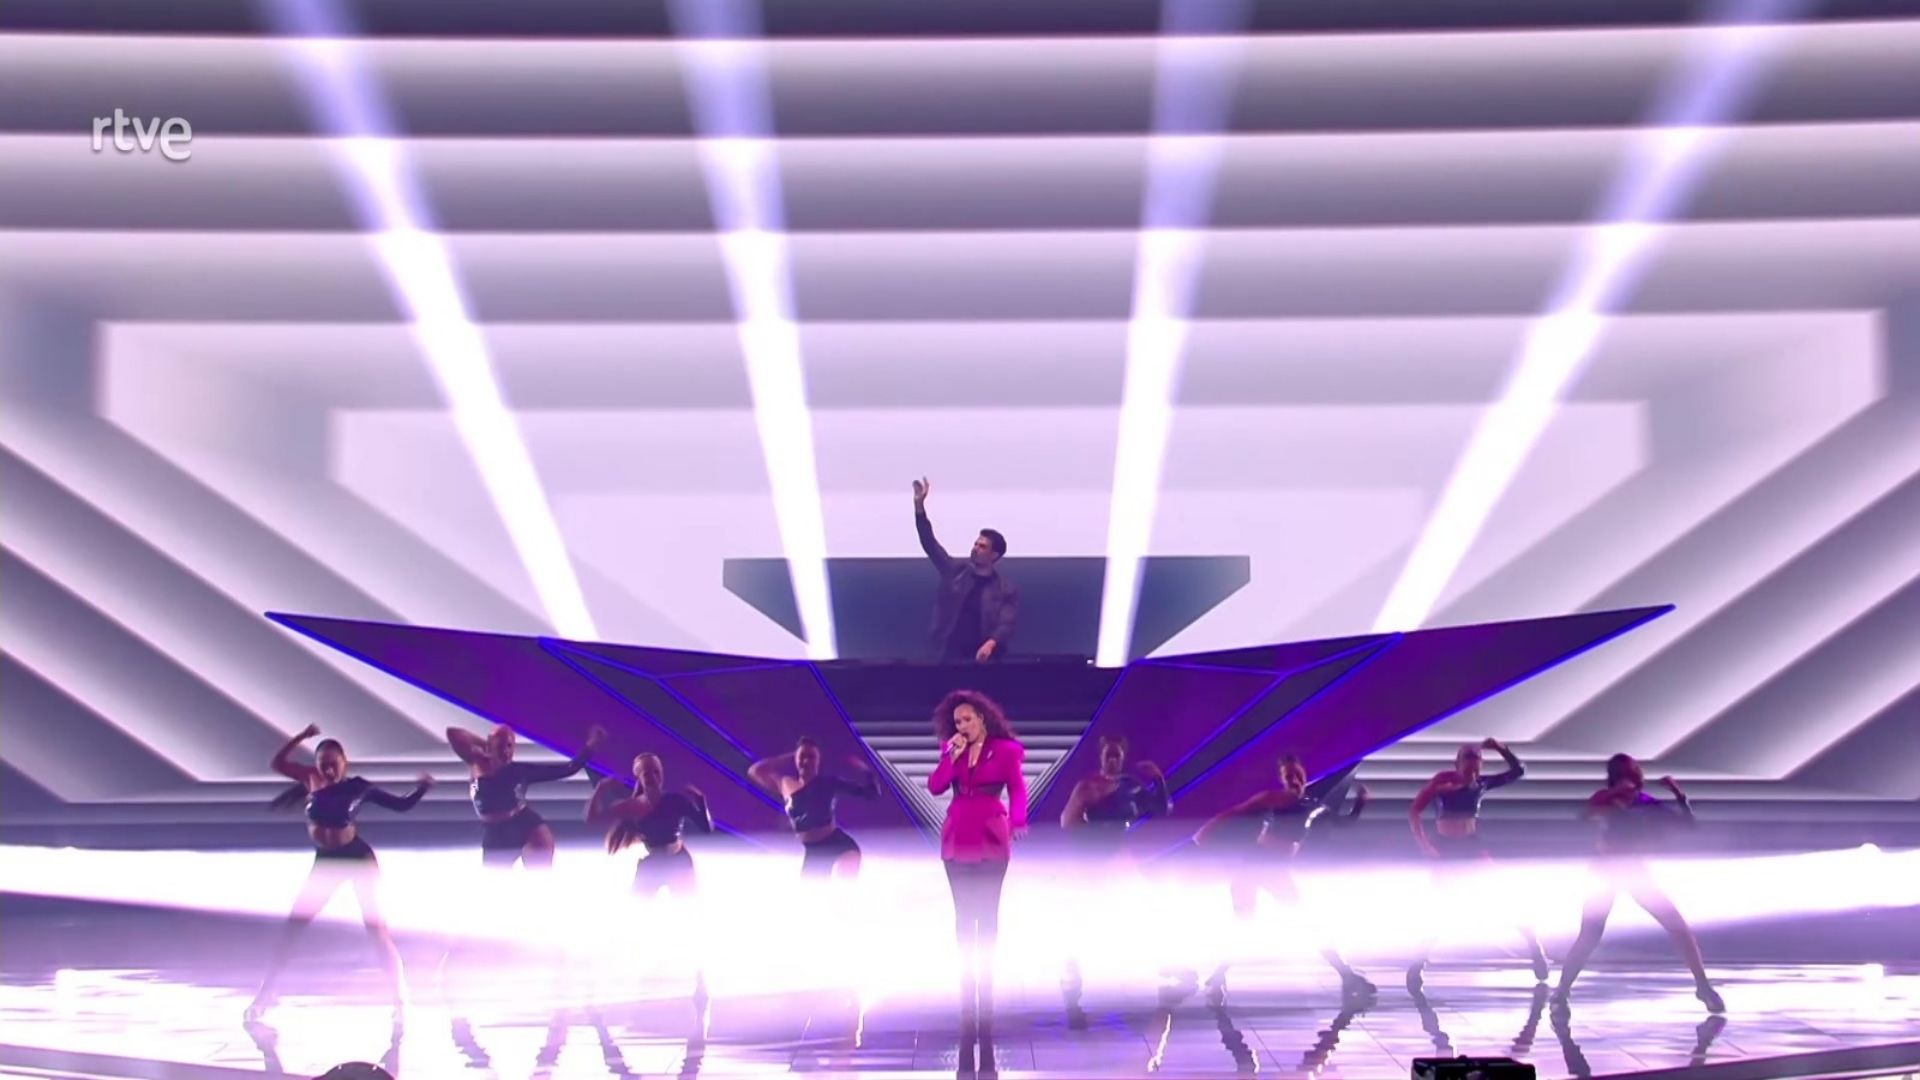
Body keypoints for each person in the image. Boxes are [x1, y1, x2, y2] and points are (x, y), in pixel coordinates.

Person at [250, 725, 434, 1021]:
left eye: (334, 765)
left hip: (358, 858)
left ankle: (400, 999)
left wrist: (422, 787)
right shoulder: (310, 779)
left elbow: (401, 805)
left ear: (344, 763)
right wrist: (302, 737)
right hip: (327, 861)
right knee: (294, 926)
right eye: (323, 765)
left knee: (376, 930)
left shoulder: (359, 787)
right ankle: (266, 995)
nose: (329, 771)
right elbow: (278, 763)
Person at [1551, 753, 1723, 1013]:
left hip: (1633, 870)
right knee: (1590, 934)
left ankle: (1703, 986)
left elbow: (1688, 825)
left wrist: (1678, 794)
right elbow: (1585, 815)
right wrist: (1613, 797)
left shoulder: (1644, 802)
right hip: (1605, 870)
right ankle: (1562, 991)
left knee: (1678, 928)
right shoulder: (1604, 798)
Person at [1193, 754, 1374, 1001]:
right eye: (1289, 776)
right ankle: (1218, 975)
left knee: (1306, 922)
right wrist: (1207, 830)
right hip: (1254, 867)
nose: (1294, 780)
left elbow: (1343, 822)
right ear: (1282, 779)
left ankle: (1346, 975)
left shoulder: (1314, 804)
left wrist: (1360, 803)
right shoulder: (1275, 798)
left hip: (1276, 871)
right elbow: (1237, 810)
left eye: (1297, 775)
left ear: (1305, 775)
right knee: (1246, 924)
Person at [927, 689, 1028, 1078]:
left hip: (990, 835)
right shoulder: (951, 751)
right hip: (957, 836)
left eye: (968, 719)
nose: (962, 726)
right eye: (957, 722)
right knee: (962, 914)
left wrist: (1018, 820)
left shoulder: (1005, 751)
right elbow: (936, 787)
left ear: (982, 719)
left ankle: (987, 981)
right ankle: (965, 982)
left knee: (987, 913)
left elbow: (1016, 788)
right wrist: (949, 757)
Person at [1405, 737, 1550, 986]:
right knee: (1442, 907)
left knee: (1503, 899)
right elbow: (1415, 810)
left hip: (1472, 848)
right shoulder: (1443, 780)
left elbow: (1519, 771)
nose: (1473, 765)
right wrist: (1424, 844)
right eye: (1468, 760)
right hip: (1446, 851)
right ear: (1458, 763)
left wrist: (1502, 749)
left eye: (1477, 760)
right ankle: (1419, 962)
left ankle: (1535, 947)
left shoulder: (1481, 784)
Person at [1057, 736, 1169, 1023]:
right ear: (1101, 756)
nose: (1112, 760)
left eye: (1116, 755)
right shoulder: (1089, 786)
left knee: (1144, 910)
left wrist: (1158, 779)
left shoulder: (1131, 785)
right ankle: (1071, 992)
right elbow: (1067, 821)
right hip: (1092, 862)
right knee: (1082, 925)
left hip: (1119, 861)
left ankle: (1163, 969)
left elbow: (1160, 808)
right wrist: (1097, 840)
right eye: (1108, 755)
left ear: (1123, 757)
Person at [587, 752, 714, 999]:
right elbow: (592, 819)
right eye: (647, 773)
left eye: (656, 772)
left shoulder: (675, 800)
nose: (653, 777)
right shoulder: (632, 806)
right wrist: (600, 790)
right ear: (639, 777)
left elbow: (706, 827)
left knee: (689, 920)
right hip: (652, 864)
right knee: (632, 916)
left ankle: (700, 978)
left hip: (679, 862)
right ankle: (610, 973)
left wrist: (701, 801)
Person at [447, 723, 605, 868]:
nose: (506, 752)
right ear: (490, 745)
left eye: (510, 746)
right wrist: (487, 746)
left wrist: (591, 746)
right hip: (495, 833)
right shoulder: (476, 761)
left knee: (539, 872)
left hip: (526, 824)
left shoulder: (521, 771)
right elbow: (453, 733)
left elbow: (568, 769)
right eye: (500, 746)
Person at [912, 477, 1017, 662]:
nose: (975, 548)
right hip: (950, 653)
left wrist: (991, 644)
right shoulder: (956, 572)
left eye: (982, 546)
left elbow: (1007, 623)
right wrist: (919, 508)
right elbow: (930, 544)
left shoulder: (1004, 588)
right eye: (975, 544)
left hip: (984, 657)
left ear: (994, 555)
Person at [748, 737, 881, 878]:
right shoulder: (786, 784)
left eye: (811, 757)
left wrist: (866, 771)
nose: (806, 761)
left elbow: (871, 793)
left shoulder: (829, 783)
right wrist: (789, 757)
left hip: (839, 846)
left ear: (818, 761)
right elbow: (755, 771)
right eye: (802, 756)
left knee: (843, 885)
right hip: (813, 852)